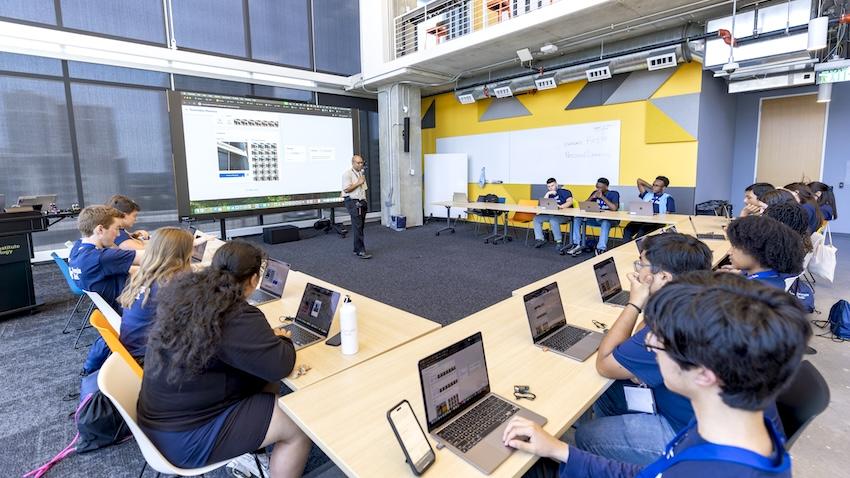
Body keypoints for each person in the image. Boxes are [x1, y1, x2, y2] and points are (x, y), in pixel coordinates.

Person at [502, 271, 809, 478]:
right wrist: (559, 449)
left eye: (660, 339)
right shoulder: (730, 423)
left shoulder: (710, 469)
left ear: (704, 374)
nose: (649, 341)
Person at [138, 241, 311, 476]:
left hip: (160, 419)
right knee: (299, 424)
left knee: (262, 377)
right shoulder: (236, 315)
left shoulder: (190, 297)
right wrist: (283, 339)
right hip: (186, 438)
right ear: (252, 280)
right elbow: (281, 365)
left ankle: (253, 444)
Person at [577, 233, 713, 465]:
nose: (637, 270)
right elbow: (639, 334)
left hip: (684, 433)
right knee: (609, 391)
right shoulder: (696, 298)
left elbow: (605, 363)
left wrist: (635, 302)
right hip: (698, 414)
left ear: (663, 277)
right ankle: (621, 450)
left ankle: (614, 460)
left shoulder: (672, 324)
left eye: (641, 264)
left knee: (587, 435)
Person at [117, 227, 194, 362]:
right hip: (150, 359)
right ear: (185, 253)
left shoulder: (143, 276)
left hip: (132, 351)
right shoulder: (171, 285)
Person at [69, 205, 143, 311]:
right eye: (117, 228)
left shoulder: (77, 249)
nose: (118, 234)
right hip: (127, 311)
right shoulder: (102, 258)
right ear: (100, 229)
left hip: (110, 313)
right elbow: (154, 256)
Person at [722, 215, 804, 289]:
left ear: (755, 249)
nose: (729, 252)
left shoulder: (749, 292)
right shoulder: (771, 280)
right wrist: (742, 274)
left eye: (734, 247)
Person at [563, 178, 620, 256]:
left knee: (605, 222)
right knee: (577, 218)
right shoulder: (594, 193)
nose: (598, 189)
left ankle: (601, 248)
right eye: (597, 187)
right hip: (595, 219)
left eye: (600, 187)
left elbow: (614, 208)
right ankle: (577, 244)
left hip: (610, 220)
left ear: (606, 187)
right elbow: (584, 205)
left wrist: (602, 197)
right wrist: (592, 197)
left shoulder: (614, 194)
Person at [623, 176, 676, 242]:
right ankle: (628, 247)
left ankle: (634, 248)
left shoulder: (668, 198)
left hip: (656, 222)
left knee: (640, 233)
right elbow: (639, 181)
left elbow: (668, 216)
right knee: (627, 229)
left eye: (657, 185)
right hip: (642, 219)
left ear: (663, 187)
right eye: (653, 185)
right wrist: (652, 187)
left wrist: (656, 216)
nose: (654, 187)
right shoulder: (647, 195)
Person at [342, 155, 371, 259]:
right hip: (352, 201)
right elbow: (346, 189)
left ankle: (356, 248)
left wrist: (365, 200)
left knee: (361, 225)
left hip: (361, 201)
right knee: (358, 225)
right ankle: (360, 251)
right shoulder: (347, 174)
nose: (360, 165)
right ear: (353, 163)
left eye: (361, 163)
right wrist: (358, 183)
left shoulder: (361, 173)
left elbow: (363, 188)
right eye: (358, 163)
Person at [532, 178, 573, 250]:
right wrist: (547, 194)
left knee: (553, 220)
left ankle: (558, 241)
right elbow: (542, 205)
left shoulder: (565, 192)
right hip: (552, 214)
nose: (551, 188)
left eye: (552, 185)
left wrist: (561, 207)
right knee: (536, 218)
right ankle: (540, 239)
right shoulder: (549, 194)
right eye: (549, 186)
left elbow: (570, 202)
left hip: (565, 215)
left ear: (556, 184)